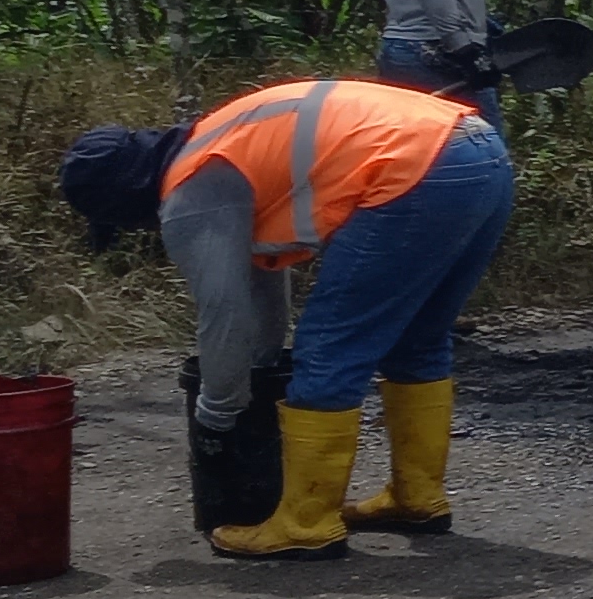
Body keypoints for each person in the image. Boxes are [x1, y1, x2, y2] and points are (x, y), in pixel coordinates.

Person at [58, 77, 517, 560]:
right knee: (416, 339)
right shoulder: (221, 143)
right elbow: (261, 285)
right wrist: (259, 368)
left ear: (126, 200)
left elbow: (226, 315)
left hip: (416, 166)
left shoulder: (192, 190)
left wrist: (216, 415)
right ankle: (417, 497)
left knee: (327, 347)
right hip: (478, 149)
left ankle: (306, 522)